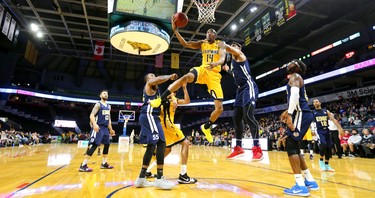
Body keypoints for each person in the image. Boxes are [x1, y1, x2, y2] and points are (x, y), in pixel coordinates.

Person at [149, 17, 227, 144]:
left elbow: (223, 58)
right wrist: (176, 30)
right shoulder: (202, 43)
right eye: (208, 32)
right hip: (203, 70)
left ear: (215, 35)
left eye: (212, 32)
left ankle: (206, 127)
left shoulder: (220, 44)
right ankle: (160, 99)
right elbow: (185, 44)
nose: (209, 33)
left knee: (219, 109)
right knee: (185, 77)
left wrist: (215, 63)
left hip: (214, 75)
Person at [218, 42, 263, 161]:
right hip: (240, 90)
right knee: (236, 118)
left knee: (248, 116)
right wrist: (228, 70)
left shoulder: (240, 55)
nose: (233, 48)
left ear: (239, 49)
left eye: (235, 47)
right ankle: (238, 147)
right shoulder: (233, 63)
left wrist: (223, 44)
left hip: (249, 87)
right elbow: (236, 74)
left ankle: (257, 148)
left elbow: (233, 50)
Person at [280, 59, 319, 196]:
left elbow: (296, 95)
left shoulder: (295, 76)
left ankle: (300, 186)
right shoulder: (297, 78)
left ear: (296, 66)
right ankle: (310, 181)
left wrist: (289, 114)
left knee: (291, 147)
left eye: (290, 62)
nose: (288, 64)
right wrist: (288, 111)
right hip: (301, 113)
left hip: (300, 114)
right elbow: (299, 98)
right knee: (294, 147)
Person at [146, 83, 198, 184]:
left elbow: (187, 101)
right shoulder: (164, 99)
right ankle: (183, 175)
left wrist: (184, 88)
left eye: (175, 92)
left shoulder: (173, 100)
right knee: (186, 143)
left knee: (168, 150)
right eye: (173, 91)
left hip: (164, 126)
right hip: (167, 125)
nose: (174, 93)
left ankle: (148, 171)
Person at [134, 73, 178, 190]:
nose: (153, 77)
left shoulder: (156, 94)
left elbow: (168, 94)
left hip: (152, 117)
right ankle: (159, 178)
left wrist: (174, 98)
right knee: (161, 142)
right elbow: (158, 79)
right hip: (149, 116)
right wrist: (169, 77)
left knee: (151, 146)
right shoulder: (148, 85)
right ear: (147, 80)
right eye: (151, 76)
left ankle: (141, 178)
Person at [79, 90, 115, 172]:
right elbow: (91, 115)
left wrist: (111, 129)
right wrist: (95, 124)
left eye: (107, 94)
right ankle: (83, 165)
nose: (106, 95)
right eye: (104, 93)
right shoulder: (98, 104)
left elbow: (108, 118)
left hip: (105, 128)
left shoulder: (109, 106)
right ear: (100, 95)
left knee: (107, 144)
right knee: (95, 145)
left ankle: (104, 163)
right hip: (98, 127)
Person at [312, 99, 344, 172]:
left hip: (327, 130)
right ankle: (320, 160)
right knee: (323, 144)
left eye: (316, 101)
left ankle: (327, 164)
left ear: (320, 102)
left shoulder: (326, 111)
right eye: (313, 102)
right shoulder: (313, 112)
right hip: (319, 130)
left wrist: (340, 128)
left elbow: (334, 120)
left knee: (329, 147)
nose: (315, 103)